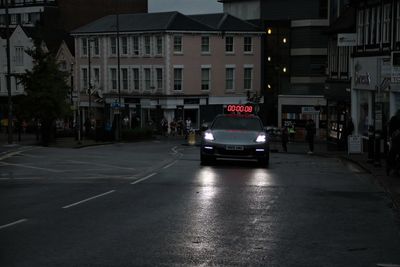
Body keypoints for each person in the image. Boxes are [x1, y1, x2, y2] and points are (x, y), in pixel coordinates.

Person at [387, 110, 400, 175]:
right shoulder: (394, 119)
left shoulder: (393, 119)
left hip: (394, 139)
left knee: (392, 153)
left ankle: (394, 168)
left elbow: (390, 128)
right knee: (393, 153)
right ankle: (395, 168)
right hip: (395, 139)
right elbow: (390, 129)